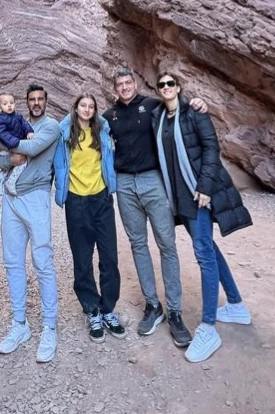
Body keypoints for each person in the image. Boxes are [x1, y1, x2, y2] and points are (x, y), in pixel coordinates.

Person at [153, 70, 253, 363]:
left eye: (171, 83)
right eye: (162, 85)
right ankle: (235, 304)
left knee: (203, 255)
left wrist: (205, 187)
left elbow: (212, 149)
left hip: (198, 195)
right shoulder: (159, 119)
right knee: (208, 247)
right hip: (180, 198)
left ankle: (208, 327)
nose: (166, 87)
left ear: (178, 86)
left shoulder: (194, 113)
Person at [103, 67, 207, 347]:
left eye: (128, 82)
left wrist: (196, 103)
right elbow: (83, 126)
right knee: (138, 243)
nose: (124, 87)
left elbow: (176, 106)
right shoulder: (109, 116)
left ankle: (174, 311)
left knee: (166, 244)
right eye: (120, 84)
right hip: (124, 185)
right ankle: (153, 305)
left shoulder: (151, 105)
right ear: (115, 88)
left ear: (134, 83)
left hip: (152, 181)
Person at [0, 84, 61, 362]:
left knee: (42, 260)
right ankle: (19, 324)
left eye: (40, 99)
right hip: (11, 197)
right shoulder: (18, 123)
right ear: (27, 102)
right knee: (12, 261)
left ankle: (49, 326)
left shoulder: (51, 126)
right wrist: (11, 155)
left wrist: (11, 149)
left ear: (46, 101)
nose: (36, 103)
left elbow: (32, 148)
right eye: (31, 99)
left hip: (34, 196)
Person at [53, 94, 124, 343]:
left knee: (109, 256)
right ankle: (92, 309)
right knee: (82, 258)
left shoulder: (102, 128)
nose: (87, 109)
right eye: (83, 105)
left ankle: (108, 308)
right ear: (75, 107)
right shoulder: (63, 132)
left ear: (95, 110)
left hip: (102, 198)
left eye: (91, 106)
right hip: (76, 201)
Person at [0, 92, 33, 195]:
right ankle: (10, 181)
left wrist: (29, 131)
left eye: (11, 103)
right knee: (20, 162)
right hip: (6, 146)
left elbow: (25, 124)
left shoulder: (18, 116)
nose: (9, 105)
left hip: (14, 144)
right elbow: (1, 132)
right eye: (5, 104)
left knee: (11, 165)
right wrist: (14, 142)